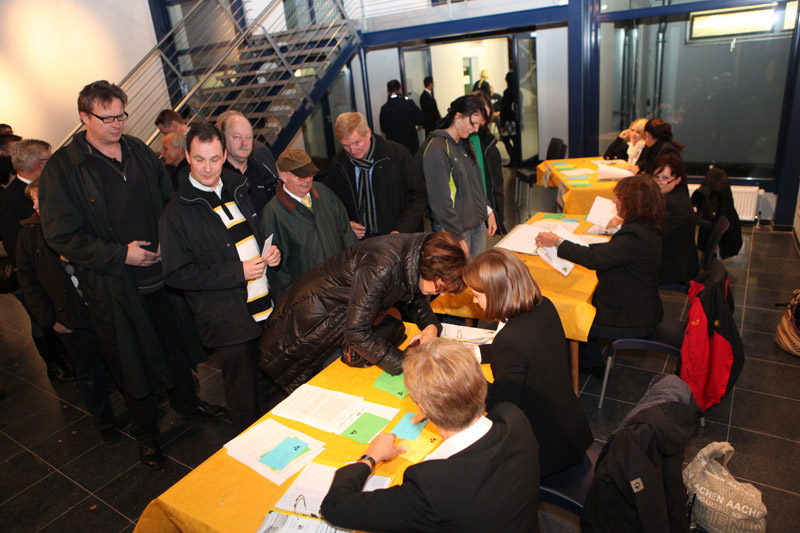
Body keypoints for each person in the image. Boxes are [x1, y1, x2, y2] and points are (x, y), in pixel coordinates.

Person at [39, 80, 225, 469]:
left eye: (120, 116)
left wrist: (172, 241)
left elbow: (168, 202)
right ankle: (147, 434)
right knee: (132, 361)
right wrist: (121, 254)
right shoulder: (64, 168)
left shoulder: (138, 149)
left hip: (163, 275)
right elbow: (60, 235)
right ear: (84, 117)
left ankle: (188, 402)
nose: (116, 125)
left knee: (175, 345)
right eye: (106, 118)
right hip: (116, 286)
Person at [320, 338, 541, 533]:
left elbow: (335, 508)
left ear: (421, 406)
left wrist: (370, 457)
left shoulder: (431, 486)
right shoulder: (514, 419)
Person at [160, 123, 282, 433]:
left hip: (264, 307)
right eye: (200, 159)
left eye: (214, 159)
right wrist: (238, 272)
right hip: (228, 318)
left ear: (224, 155)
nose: (207, 167)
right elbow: (177, 274)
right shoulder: (176, 212)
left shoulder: (236, 187)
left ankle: (279, 444)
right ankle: (250, 452)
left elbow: (248, 237)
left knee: (271, 388)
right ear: (188, 157)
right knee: (243, 399)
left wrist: (269, 253)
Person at [259, 231, 467, 394]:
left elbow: (412, 293)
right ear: (429, 268)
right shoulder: (382, 267)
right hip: (307, 329)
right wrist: (408, 364)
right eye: (439, 287)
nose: (439, 293)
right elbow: (357, 333)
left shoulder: (415, 256)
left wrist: (430, 326)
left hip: (336, 323)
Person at [463, 248, 593, 477]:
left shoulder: (509, 340)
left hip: (543, 448)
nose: (474, 301)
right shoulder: (544, 306)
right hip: (570, 429)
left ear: (495, 293)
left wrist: (466, 375)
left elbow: (500, 404)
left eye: (476, 295)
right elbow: (526, 351)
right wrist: (476, 353)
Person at [16, 180, 119, 443]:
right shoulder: (29, 235)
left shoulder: (79, 223)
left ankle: (141, 412)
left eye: (40, 198)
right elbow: (28, 283)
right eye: (33, 201)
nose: (36, 206)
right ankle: (105, 423)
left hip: (101, 309)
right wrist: (50, 319)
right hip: (68, 318)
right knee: (89, 373)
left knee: (120, 361)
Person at [536, 175, 664, 366]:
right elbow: (609, 251)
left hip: (632, 318)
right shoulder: (646, 228)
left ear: (633, 203)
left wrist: (558, 242)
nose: (614, 201)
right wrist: (575, 245)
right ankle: (590, 362)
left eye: (618, 198)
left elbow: (593, 259)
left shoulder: (635, 235)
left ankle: (583, 366)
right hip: (638, 307)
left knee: (566, 320)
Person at [3, 139, 74, 381]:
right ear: (39, 165)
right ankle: (56, 366)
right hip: (40, 278)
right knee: (43, 323)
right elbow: (17, 249)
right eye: (49, 159)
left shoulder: (50, 185)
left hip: (61, 271)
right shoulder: (9, 199)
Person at [261, 148, 356, 292]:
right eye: (300, 176)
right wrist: (295, 298)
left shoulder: (324, 194)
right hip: (309, 294)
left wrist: (354, 269)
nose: (307, 180)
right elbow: (279, 271)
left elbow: (345, 232)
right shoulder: (273, 213)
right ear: (284, 176)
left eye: (310, 174)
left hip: (342, 284)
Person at [325, 112, 426, 240]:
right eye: (346, 145)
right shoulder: (338, 164)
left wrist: (401, 230)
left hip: (396, 236)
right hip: (359, 240)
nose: (352, 151)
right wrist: (345, 224)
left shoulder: (397, 155)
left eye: (356, 143)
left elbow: (418, 197)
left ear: (368, 133)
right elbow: (332, 203)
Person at [417, 94, 497, 257]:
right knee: (460, 273)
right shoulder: (437, 148)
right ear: (458, 117)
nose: (476, 129)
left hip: (477, 225)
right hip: (456, 230)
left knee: (475, 271)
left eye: (479, 125)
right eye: (473, 123)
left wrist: (488, 211)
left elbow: (477, 184)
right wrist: (457, 236)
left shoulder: (465, 144)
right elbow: (440, 200)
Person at [653, 153, 699, 285]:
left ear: (678, 179)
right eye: (656, 177)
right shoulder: (677, 193)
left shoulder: (671, 204)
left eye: (665, 178)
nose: (659, 183)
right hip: (679, 257)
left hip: (673, 268)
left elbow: (653, 234)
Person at [220, 113, 277, 214]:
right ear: (224, 139)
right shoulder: (217, 176)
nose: (244, 143)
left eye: (248, 137)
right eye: (237, 137)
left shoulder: (262, 171)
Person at [470, 91, 506, 235]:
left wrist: (497, 216)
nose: (481, 123)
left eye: (486, 118)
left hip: (482, 212)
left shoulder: (489, 146)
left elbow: (496, 186)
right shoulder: (455, 143)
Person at [379, 79, 424, 156]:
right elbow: (420, 119)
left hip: (393, 148)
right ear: (400, 89)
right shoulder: (409, 103)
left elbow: (384, 129)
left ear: (388, 92)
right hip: (410, 145)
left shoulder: (384, 108)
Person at [500, 71, 516, 164]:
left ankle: (513, 158)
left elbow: (504, 109)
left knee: (505, 140)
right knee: (515, 140)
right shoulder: (518, 92)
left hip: (508, 122)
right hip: (516, 121)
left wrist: (502, 123)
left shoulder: (507, 93)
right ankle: (516, 159)